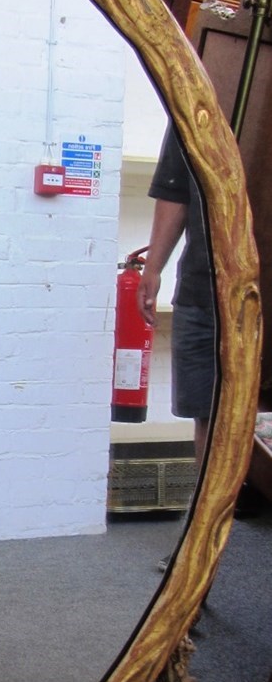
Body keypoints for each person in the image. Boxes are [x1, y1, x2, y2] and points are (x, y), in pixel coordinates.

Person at [136, 125, 216, 468]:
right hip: (205, 287)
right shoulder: (197, 96)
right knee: (209, 413)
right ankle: (214, 514)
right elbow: (175, 188)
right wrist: (152, 269)